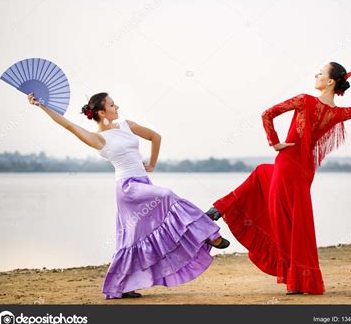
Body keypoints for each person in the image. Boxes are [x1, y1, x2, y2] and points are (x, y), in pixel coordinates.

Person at [206, 62, 351, 295]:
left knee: (285, 220)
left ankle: (220, 212)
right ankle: (219, 210)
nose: (316, 75)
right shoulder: (337, 113)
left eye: (321, 73)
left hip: (287, 165)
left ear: (330, 82)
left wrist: (274, 143)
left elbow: (267, 115)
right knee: (267, 181)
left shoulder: (305, 100)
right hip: (304, 172)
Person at [27, 92, 230, 299]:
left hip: (143, 182)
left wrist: (151, 164)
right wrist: (42, 106)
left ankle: (120, 287)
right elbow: (69, 125)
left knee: (133, 239)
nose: (117, 108)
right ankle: (210, 233)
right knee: (167, 195)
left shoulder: (126, 124)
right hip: (128, 189)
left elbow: (155, 137)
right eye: (112, 105)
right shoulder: (98, 139)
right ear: (101, 112)